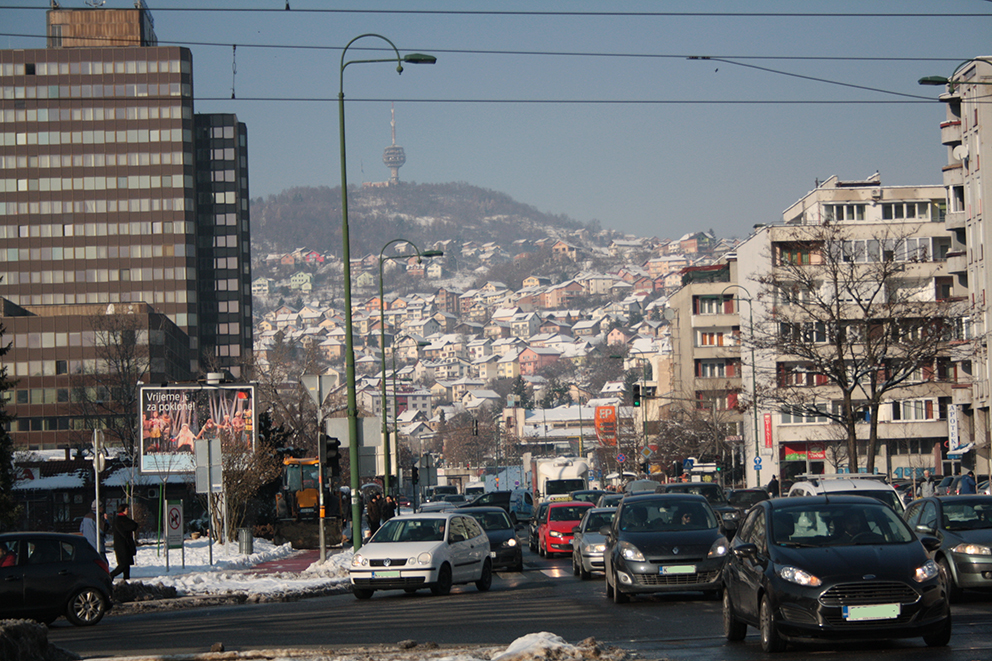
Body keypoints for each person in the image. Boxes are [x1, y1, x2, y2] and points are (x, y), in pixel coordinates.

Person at [110, 503, 138, 581]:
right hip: (123, 545)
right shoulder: (122, 520)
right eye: (127, 509)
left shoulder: (118, 519)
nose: (128, 511)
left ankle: (126, 580)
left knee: (126, 565)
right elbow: (134, 525)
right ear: (124, 510)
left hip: (122, 545)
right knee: (123, 564)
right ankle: (111, 575)